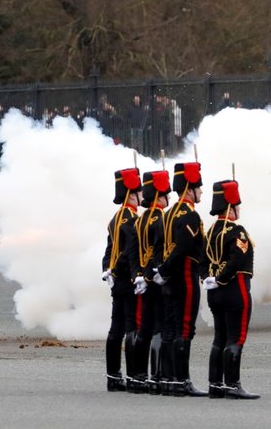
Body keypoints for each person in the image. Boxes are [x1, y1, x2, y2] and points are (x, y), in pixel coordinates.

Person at [202, 180, 259, 399]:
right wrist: (221, 278)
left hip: (214, 293)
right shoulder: (238, 231)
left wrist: (208, 278)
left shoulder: (209, 232)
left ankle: (215, 384)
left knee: (219, 337)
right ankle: (233, 385)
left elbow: (201, 260)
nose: (239, 209)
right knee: (236, 337)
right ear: (230, 206)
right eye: (237, 205)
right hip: (235, 289)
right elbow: (237, 260)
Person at [156, 162, 208, 396]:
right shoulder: (189, 215)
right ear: (189, 188)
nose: (201, 192)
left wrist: (161, 271)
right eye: (198, 187)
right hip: (185, 275)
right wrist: (166, 269)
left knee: (169, 328)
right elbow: (183, 248)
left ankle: (168, 379)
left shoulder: (168, 214)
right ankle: (181, 381)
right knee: (185, 329)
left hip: (168, 279)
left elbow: (160, 247)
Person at [101, 167, 142, 392]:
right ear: (131, 194)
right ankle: (134, 375)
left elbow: (109, 250)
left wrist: (107, 269)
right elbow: (128, 252)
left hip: (116, 280)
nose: (142, 196)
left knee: (115, 329)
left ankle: (113, 376)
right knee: (132, 328)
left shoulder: (115, 218)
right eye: (138, 192)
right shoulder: (132, 219)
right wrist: (116, 270)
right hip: (128, 278)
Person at [130, 169, 171, 394]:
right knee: (158, 328)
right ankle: (156, 376)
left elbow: (133, 252)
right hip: (156, 279)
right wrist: (153, 274)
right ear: (159, 196)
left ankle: (138, 377)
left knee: (144, 328)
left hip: (143, 281)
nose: (168, 199)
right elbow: (159, 252)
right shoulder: (162, 219)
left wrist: (138, 275)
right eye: (166, 195)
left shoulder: (140, 219)